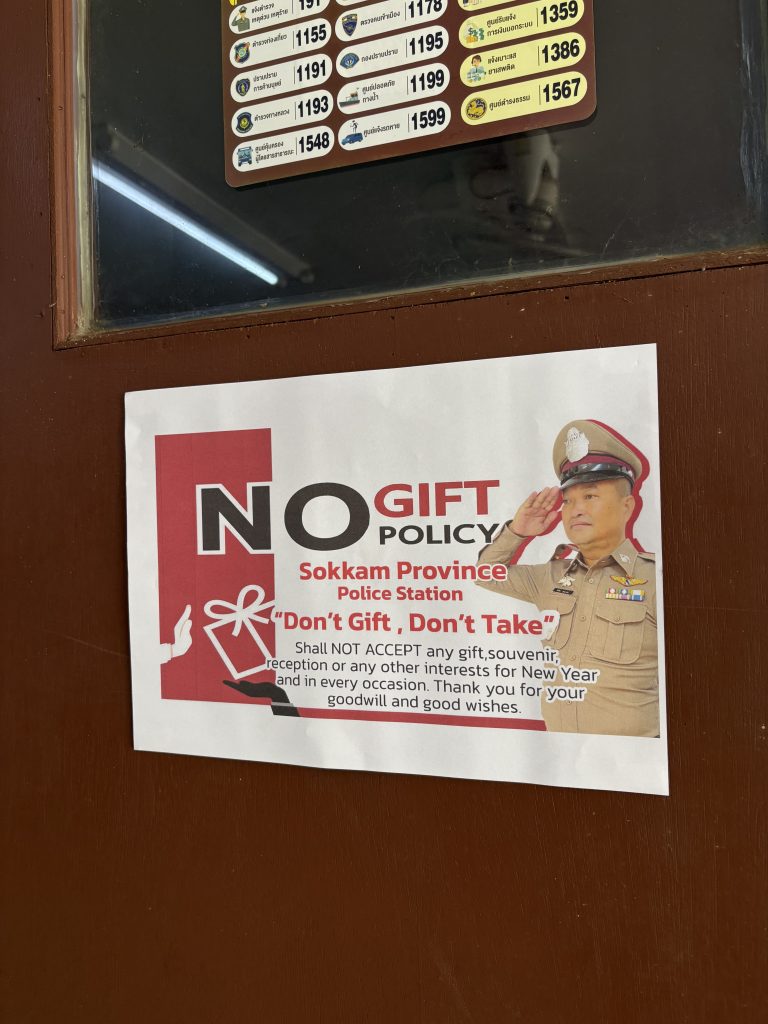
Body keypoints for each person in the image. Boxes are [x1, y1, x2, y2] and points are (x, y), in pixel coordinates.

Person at [476, 419, 658, 737]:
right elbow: (486, 574)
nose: (576, 510)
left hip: (632, 757)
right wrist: (518, 531)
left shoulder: (655, 578)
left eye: (590, 497)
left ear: (627, 506)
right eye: (568, 501)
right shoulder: (551, 576)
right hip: (561, 751)